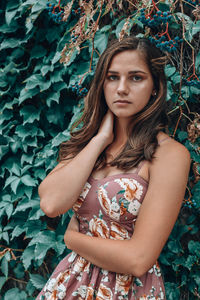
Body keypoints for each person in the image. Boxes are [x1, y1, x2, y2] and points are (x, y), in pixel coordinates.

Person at [36, 36, 190, 300]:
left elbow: (138, 259)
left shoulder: (170, 155)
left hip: (126, 290)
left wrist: (72, 240)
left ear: (155, 87)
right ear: (102, 84)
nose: (121, 88)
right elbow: (51, 204)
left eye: (136, 78)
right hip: (69, 284)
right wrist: (99, 140)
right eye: (112, 77)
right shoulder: (89, 144)